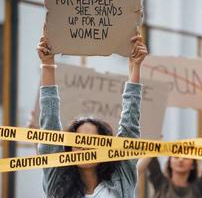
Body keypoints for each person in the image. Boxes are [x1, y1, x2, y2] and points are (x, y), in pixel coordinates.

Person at [37, 33, 148, 198]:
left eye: (92, 141)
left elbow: (130, 124)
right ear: (69, 149)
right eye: (78, 141)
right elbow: (49, 123)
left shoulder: (121, 180)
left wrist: (135, 66)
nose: (84, 147)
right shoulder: (57, 181)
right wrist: (47, 65)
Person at [137, 156, 202, 198]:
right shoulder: (160, 181)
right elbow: (150, 153)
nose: (180, 159)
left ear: (193, 165)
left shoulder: (197, 187)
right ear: (169, 162)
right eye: (176, 156)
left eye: (186, 157)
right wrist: (155, 139)